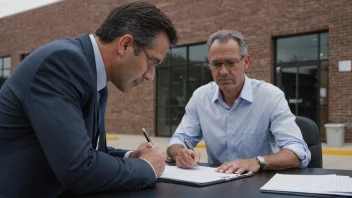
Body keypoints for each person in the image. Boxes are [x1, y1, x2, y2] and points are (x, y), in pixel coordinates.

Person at [0, 2, 177, 197]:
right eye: (152, 62)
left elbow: (90, 151)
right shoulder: (62, 64)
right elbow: (78, 168)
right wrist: (146, 167)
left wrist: (131, 156)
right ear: (125, 45)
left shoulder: (93, 74)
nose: (150, 76)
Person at [166, 30, 311, 174]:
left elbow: (298, 151)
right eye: (216, 64)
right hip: (217, 184)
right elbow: (179, 139)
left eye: (230, 63)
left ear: (246, 62)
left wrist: (257, 162)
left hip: (260, 183)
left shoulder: (270, 97)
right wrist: (180, 153)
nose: (223, 71)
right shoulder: (200, 97)